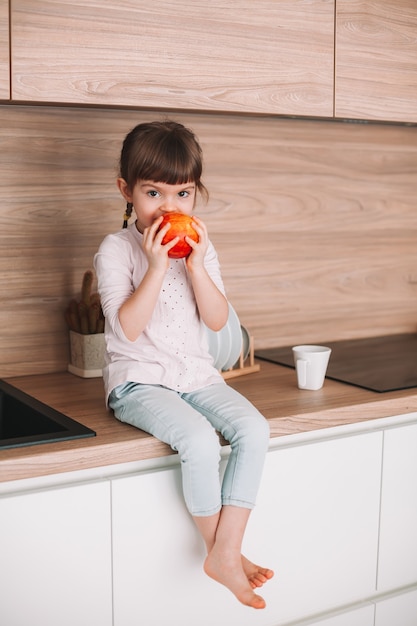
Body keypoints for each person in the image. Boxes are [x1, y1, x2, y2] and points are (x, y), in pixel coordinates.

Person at [94, 120, 273, 609]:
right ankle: (227, 557)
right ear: (126, 191)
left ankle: (226, 552)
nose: (169, 208)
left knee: (254, 430)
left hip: (194, 375)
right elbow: (127, 328)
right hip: (139, 382)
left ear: (196, 195)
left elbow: (217, 321)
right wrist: (156, 267)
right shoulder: (117, 250)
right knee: (195, 439)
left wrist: (193, 266)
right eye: (154, 192)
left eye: (183, 194)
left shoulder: (199, 248)